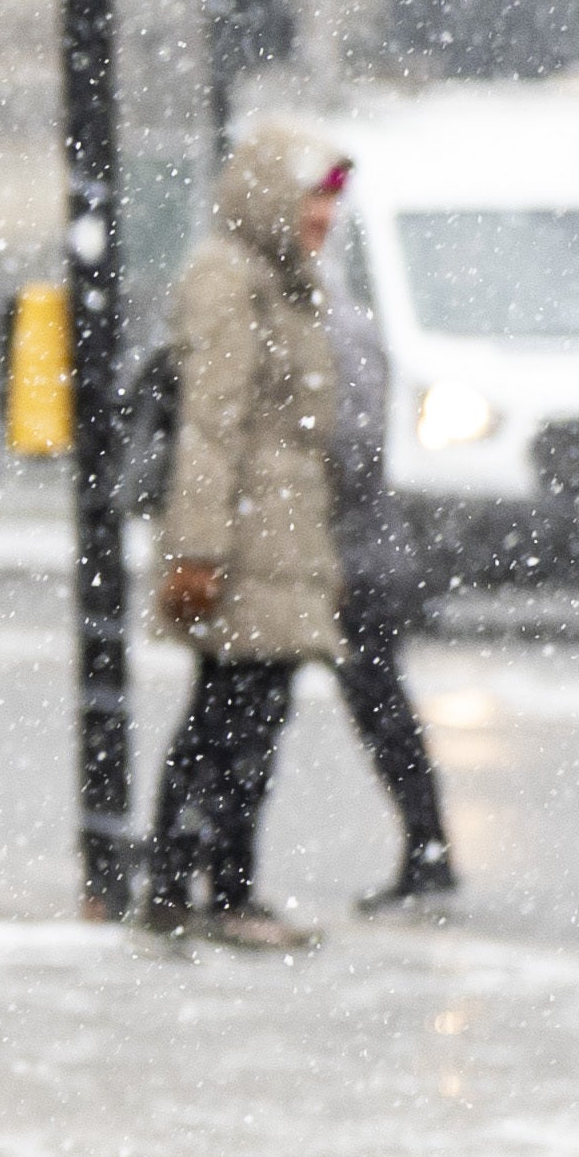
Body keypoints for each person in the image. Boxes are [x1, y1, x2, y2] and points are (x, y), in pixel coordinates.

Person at [143, 126, 347, 948]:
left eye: (333, 198)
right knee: (232, 719)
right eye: (313, 195)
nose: (325, 215)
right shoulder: (233, 280)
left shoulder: (283, 281)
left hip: (280, 536)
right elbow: (211, 423)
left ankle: (196, 886)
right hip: (247, 538)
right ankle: (211, 890)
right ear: (272, 193)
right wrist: (198, 549)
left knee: (244, 717)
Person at [320, 249, 463, 915]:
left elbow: (351, 448)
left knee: (374, 704)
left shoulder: (332, 328)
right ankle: (427, 846)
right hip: (352, 552)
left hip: (347, 558)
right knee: (376, 704)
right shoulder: (340, 323)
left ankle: (428, 847)